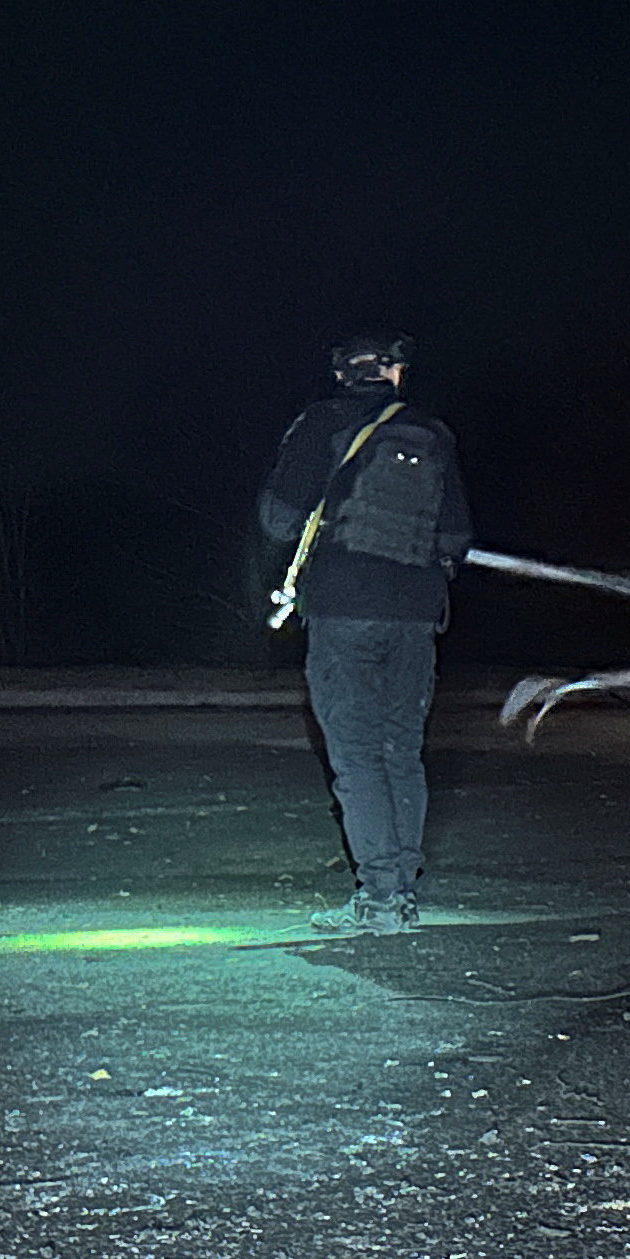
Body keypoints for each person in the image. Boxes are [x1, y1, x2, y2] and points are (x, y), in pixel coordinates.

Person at [258, 333, 473, 934]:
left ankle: (380, 898)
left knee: (355, 754)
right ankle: (400, 889)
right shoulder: (432, 433)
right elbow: (456, 538)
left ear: (342, 376)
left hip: (342, 610)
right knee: (401, 749)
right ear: (394, 374)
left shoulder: (319, 425)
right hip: (415, 614)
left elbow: (276, 520)